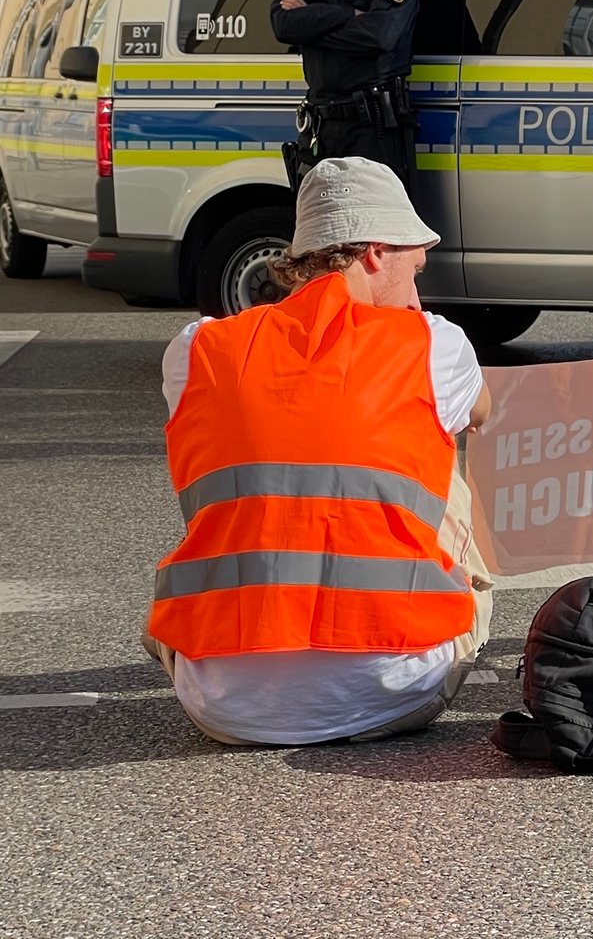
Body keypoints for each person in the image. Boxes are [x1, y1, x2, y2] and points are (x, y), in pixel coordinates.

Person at [144, 156, 496, 746]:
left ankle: (232, 651)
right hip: (395, 686)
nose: (415, 295)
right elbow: (482, 412)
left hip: (220, 706)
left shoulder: (197, 347)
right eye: (415, 269)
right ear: (376, 252)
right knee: (445, 465)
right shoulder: (433, 343)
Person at [271, 0, 421, 191]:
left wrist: (311, 27)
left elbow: (379, 36)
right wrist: (348, 15)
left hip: (373, 125)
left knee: (377, 226)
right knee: (321, 226)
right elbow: (283, 27)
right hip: (320, 126)